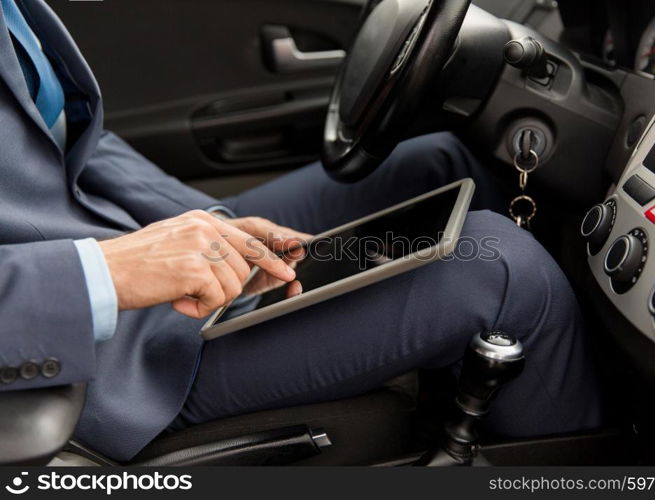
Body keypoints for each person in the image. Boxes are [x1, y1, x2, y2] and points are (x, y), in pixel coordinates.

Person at [0, 0, 601, 462]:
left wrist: (213, 225)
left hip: (103, 235)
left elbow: (78, 142)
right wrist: (106, 271)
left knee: (445, 162)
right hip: (84, 349)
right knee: (502, 268)